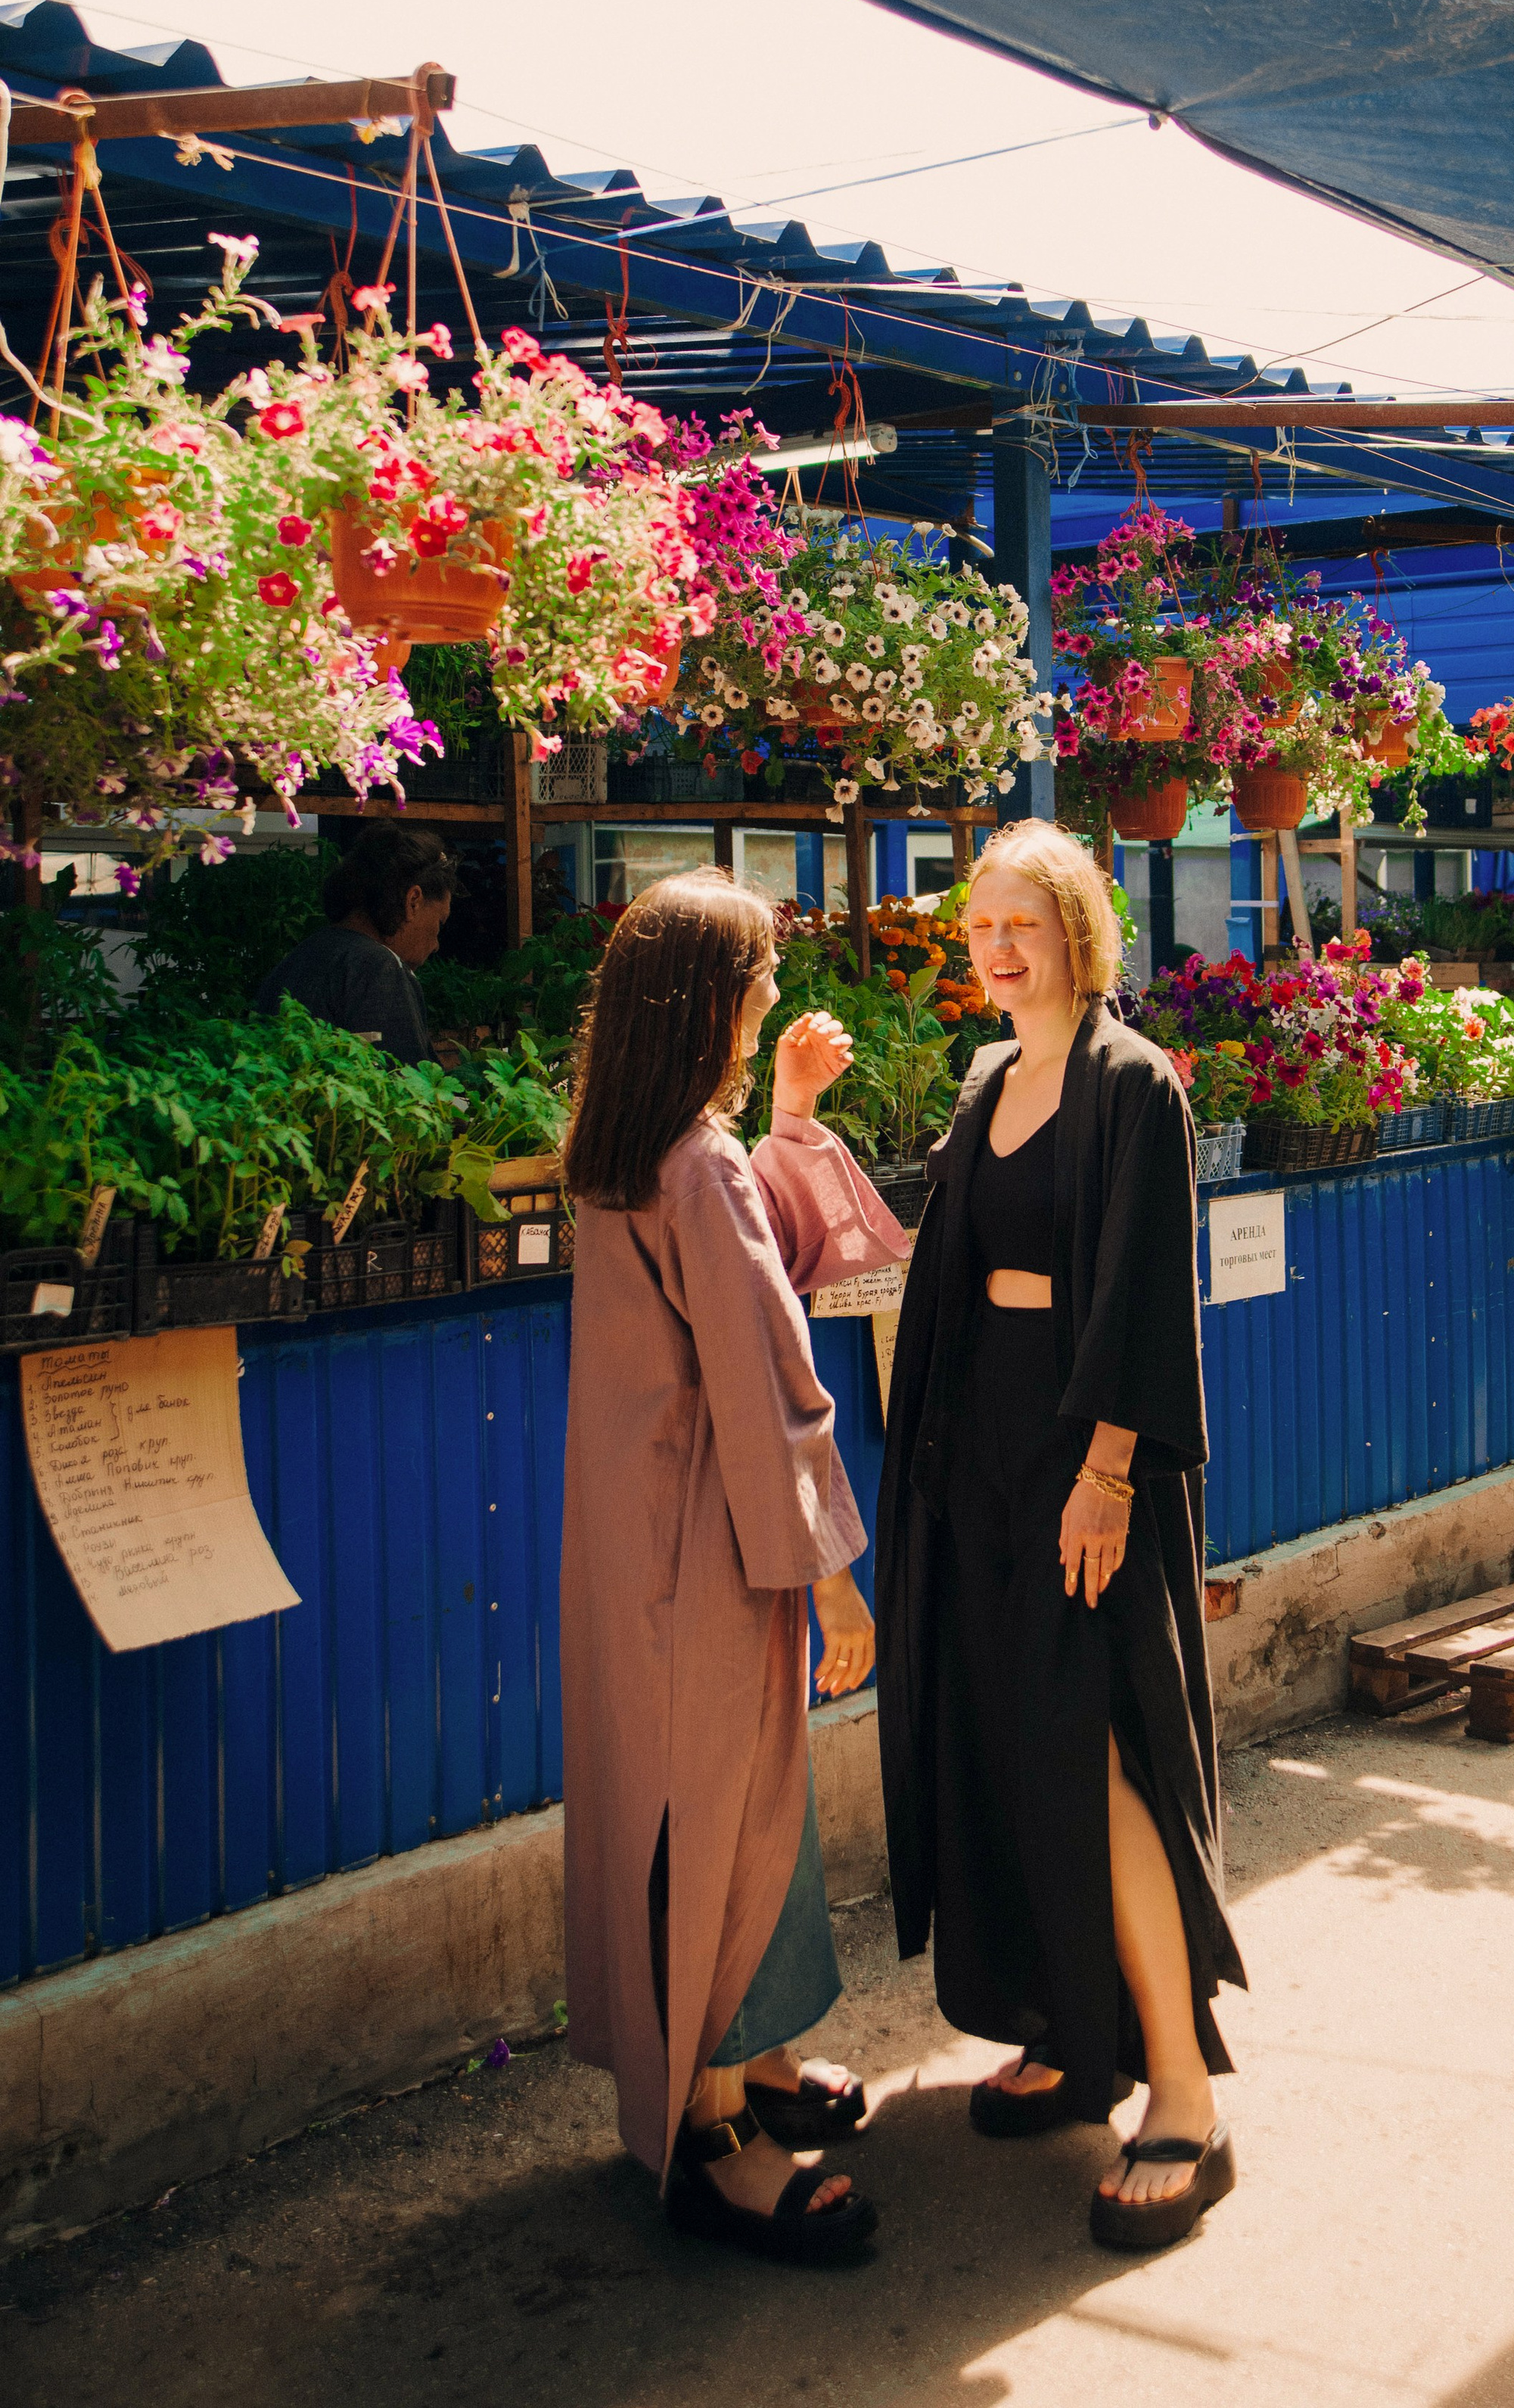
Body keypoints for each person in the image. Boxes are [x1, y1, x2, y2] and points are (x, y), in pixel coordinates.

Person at [876, 819, 1244, 2254]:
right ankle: (1058, 2027)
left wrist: (1108, 1470)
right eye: (981, 927)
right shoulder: (987, 1080)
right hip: (982, 1460)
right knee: (1004, 1740)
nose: (999, 947)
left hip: (1087, 1460)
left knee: (1097, 1749)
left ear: (1080, 930)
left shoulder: (1131, 1084)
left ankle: (1180, 2088)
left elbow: (1147, 1292)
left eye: (1024, 922)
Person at [559, 868, 910, 2266]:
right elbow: (769, 1389)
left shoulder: (632, 1145)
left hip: (638, 1543)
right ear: (712, 997)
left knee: (695, 1804)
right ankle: (712, 2130)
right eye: (760, 972)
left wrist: (790, 1126)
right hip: (714, 1545)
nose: (773, 991)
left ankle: (747, 2063)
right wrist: (827, 1569)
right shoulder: (695, 1164)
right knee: (721, 1812)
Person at [255, 819, 455, 1062]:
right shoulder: (380, 968)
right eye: (439, 923)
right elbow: (410, 1088)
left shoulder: (297, 959)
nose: (436, 945)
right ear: (413, 901)